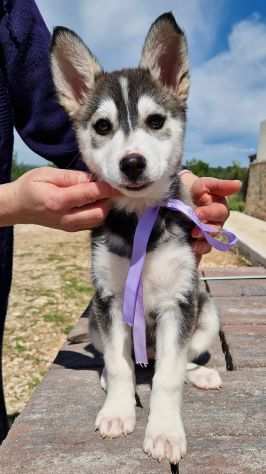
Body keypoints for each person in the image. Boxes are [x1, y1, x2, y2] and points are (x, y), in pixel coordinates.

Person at [0, 0, 240, 442]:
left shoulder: (10, 13)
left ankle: (173, 376)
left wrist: (183, 181)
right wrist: (12, 200)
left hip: (169, 252)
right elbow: (109, 307)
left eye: (154, 120)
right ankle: (123, 378)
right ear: (76, 101)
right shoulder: (103, 226)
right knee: (106, 308)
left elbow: (178, 306)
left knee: (193, 314)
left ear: (175, 87)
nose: (132, 152)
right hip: (116, 282)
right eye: (105, 127)